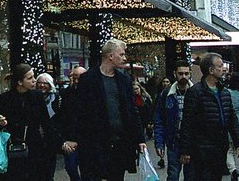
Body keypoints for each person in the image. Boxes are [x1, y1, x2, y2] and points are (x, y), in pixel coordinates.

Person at [62, 39, 145, 181]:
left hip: (119, 144)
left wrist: (140, 139)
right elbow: (78, 110)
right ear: (111, 56)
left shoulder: (124, 81)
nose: (124, 58)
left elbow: (132, 111)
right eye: (122, 54)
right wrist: (72, 137)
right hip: (94, 144)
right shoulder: (88, 79)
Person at [177, 52, 239, 181]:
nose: (223, 69)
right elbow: (187, 122)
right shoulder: (196, 92)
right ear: (211, 70)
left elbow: (231, 118)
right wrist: (185, 150)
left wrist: (238, 142)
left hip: (220, 147)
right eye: (220, 66)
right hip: (201, 148)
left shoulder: (224, 92)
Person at [0, 64, 55, 181]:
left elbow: (46, 123)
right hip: (12, 148)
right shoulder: (6, 98)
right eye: (30, 78)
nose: (34, 81)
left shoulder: (37, 96)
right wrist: (2, 122)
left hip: (34, 148)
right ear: (20, 82)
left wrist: (59, 143)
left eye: (33, 77)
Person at [153, 62, 192, 181]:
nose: (183, 76)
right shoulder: (166, 94)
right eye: (180, 73)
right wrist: (159, 143)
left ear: (190, 74)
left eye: (186, 73)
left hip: (192, 141)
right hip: (173, 140)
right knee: (173, 175)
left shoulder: (196, 92)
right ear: (175, 74)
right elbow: (159, 119)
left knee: (191, 175)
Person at [56, 67, 85, 181]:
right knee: (70, 167)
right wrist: (65, 140)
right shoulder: (67, 94)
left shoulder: (92, 93)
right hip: (70, 139)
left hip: (87, 140)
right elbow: (63, 118)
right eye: (74, 77)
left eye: (78, 77)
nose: (76, 80)